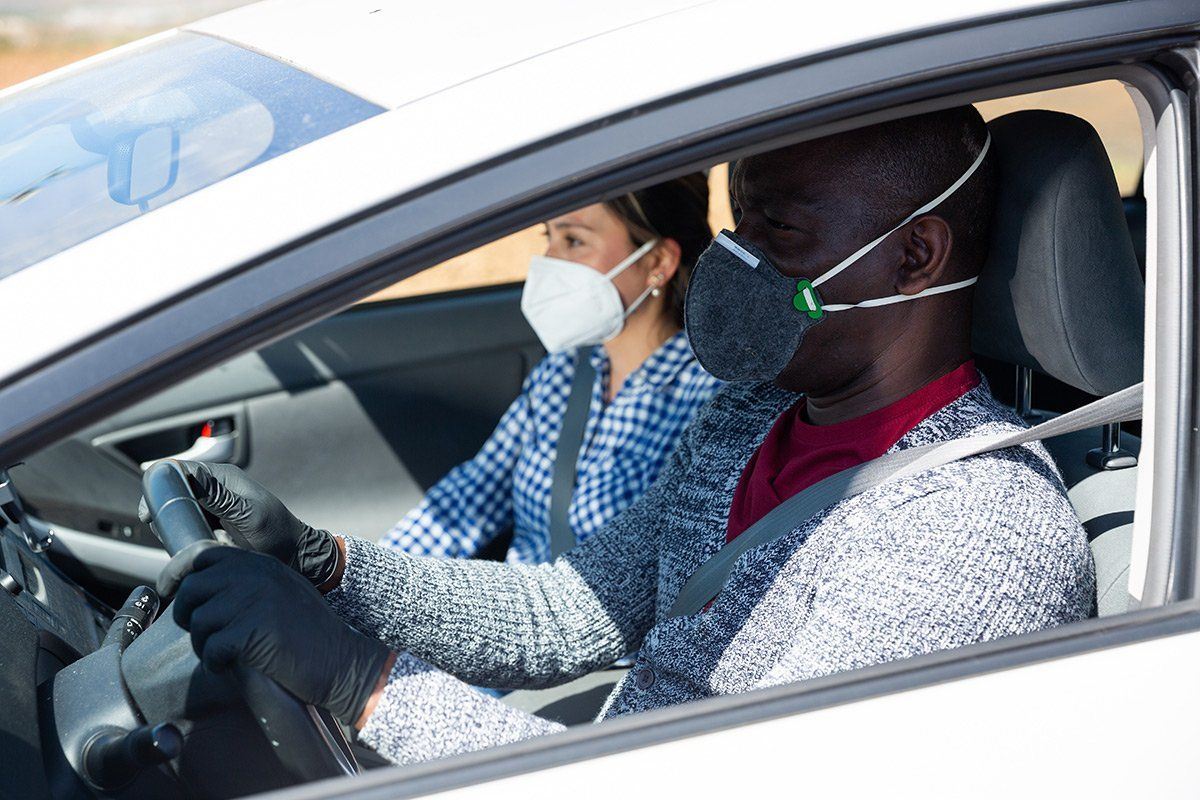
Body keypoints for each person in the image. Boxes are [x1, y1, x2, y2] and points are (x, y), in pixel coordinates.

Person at [164, 106, 1095, 765]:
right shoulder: (750, 416)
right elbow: (566, 614)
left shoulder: (973, 531)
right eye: (737, 223)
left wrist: (365, 682)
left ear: (913, 256)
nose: (732, 263)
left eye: (777, 232)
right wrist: (325, 561)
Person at [382, 176, 721, 563]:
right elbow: (471, 495)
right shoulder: (564, 371)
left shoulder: (707, 400)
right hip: (511, 601)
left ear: (657, 262)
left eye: (573, 240)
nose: (549, 261)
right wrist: (360, 577)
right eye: (549, 237)